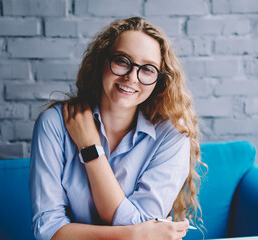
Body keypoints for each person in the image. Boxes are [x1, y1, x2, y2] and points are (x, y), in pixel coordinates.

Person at [29, 16, 205, 240]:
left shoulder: (173, 137)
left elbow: (145, 227)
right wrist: (134, 234)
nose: (132, 77)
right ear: (102, 62)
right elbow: (48, 230)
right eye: (122, 61)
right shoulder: (54, 125)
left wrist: (90, 148)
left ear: (159, 81)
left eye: (148, 69)